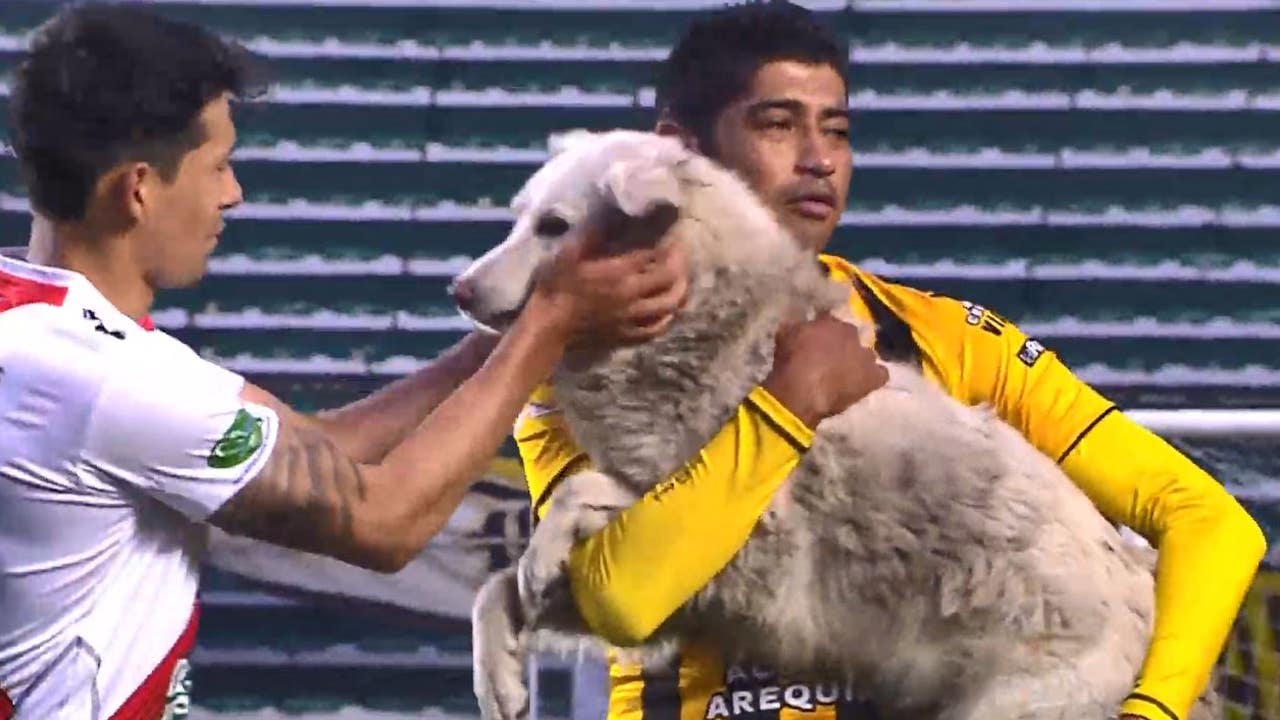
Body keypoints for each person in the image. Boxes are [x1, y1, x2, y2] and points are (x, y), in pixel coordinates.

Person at [513, 4, 1268, 720]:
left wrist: (1152, 709)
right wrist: (790, 403)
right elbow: (625, 599)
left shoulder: (946, 339)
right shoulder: (587, 372)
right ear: (676, 149)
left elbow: (1210, 523)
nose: (818, 160)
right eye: (778, 124)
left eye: (836, 131)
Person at [0, 4, 700, 718]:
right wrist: (549, 325)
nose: (233, 194)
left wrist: (497, 341)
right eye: (218, 167)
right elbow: (385, 522)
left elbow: (318, 448)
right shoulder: (104, 380)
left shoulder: (44, 327)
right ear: (139, 189)